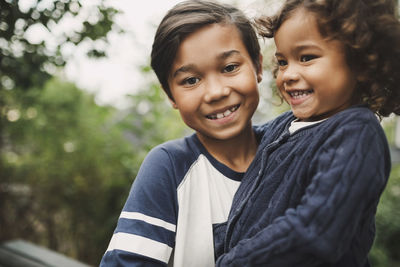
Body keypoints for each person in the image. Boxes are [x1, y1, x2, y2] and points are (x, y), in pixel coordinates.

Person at [216, 0, 400, 266]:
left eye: (306, 58)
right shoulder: (285, 125)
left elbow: (315, 233)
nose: (288, 74)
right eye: (282, 61)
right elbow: (238, 146)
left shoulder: (357, 135)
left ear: (360, 61)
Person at [100, 0, 264, 266]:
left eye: (230, 67)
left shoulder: (291, 147)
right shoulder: (169, 167)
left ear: (258, 66)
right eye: (190, 80)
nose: (216, 92)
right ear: (170, 95)